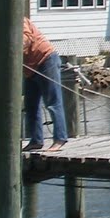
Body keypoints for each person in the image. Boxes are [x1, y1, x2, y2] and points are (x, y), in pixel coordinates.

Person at [22, 17, 69, 150]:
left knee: (52, 102)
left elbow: (26, 38)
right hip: (30, 69)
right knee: (30, 105)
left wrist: (13, 48)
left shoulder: (16, 19)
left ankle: (60, 138)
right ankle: (36, 140)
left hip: (46, 60)